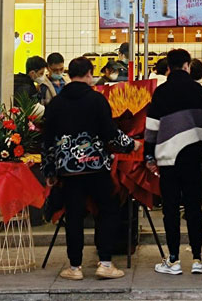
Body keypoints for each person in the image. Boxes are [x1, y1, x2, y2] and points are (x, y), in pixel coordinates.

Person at [41, 57, 140, 282]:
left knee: (74, 217)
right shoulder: (97, 99)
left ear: (69, 74)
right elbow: (110, 132)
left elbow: (47, 140)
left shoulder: (56, 103)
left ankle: (75, 267)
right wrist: (131, 144)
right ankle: (105, 263)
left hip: (68, 171)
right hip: (96, 167)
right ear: (88, 73)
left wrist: (49, 171)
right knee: (107, 211)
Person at [144, 49, 202, 276]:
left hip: (168, 158)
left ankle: (173, 260)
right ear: (187, 65)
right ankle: (197, 259)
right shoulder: (198, 90)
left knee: (171, 209)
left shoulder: (161, 92)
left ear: (168, 68)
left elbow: (152, 128)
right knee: (193, 207)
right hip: (193, 157)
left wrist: (149, 156)